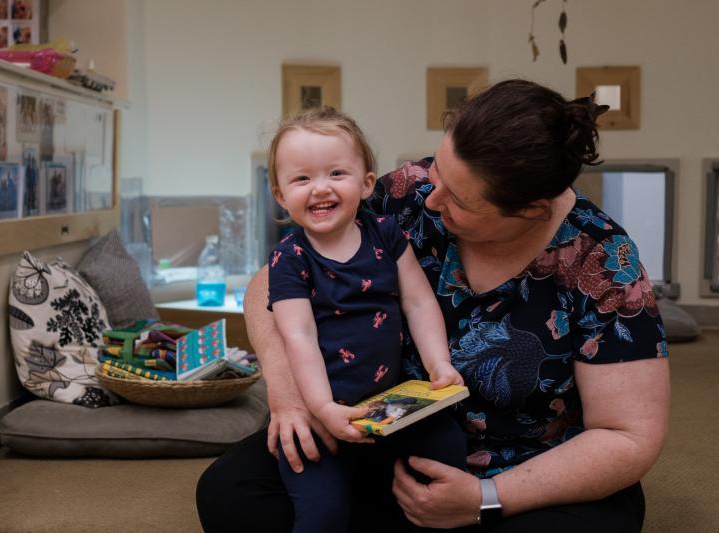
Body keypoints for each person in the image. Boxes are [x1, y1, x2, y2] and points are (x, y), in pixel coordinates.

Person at [197, 79, 670, 532]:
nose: (432, 196)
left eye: (458, 199)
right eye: (439, 170)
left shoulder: (604, 263)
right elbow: (270, 284)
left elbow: (629, 437)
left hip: (521, 469)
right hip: (375, 428)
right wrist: (287, 396)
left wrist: (485, 497)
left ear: (529, 210)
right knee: (231, 493)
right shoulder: (407, 190)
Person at [265, 107, 466, 533]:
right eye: (301, 179)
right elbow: (297, 334)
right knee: (322, 515)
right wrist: (321, 408)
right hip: (324, 418)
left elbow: (418, 303)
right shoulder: (289, 258)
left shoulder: (385, 233)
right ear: (280, 194)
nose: (320, 188)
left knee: (447, 440)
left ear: (366, 183)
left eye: (336, 173)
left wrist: (438, 364)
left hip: (389, 407)